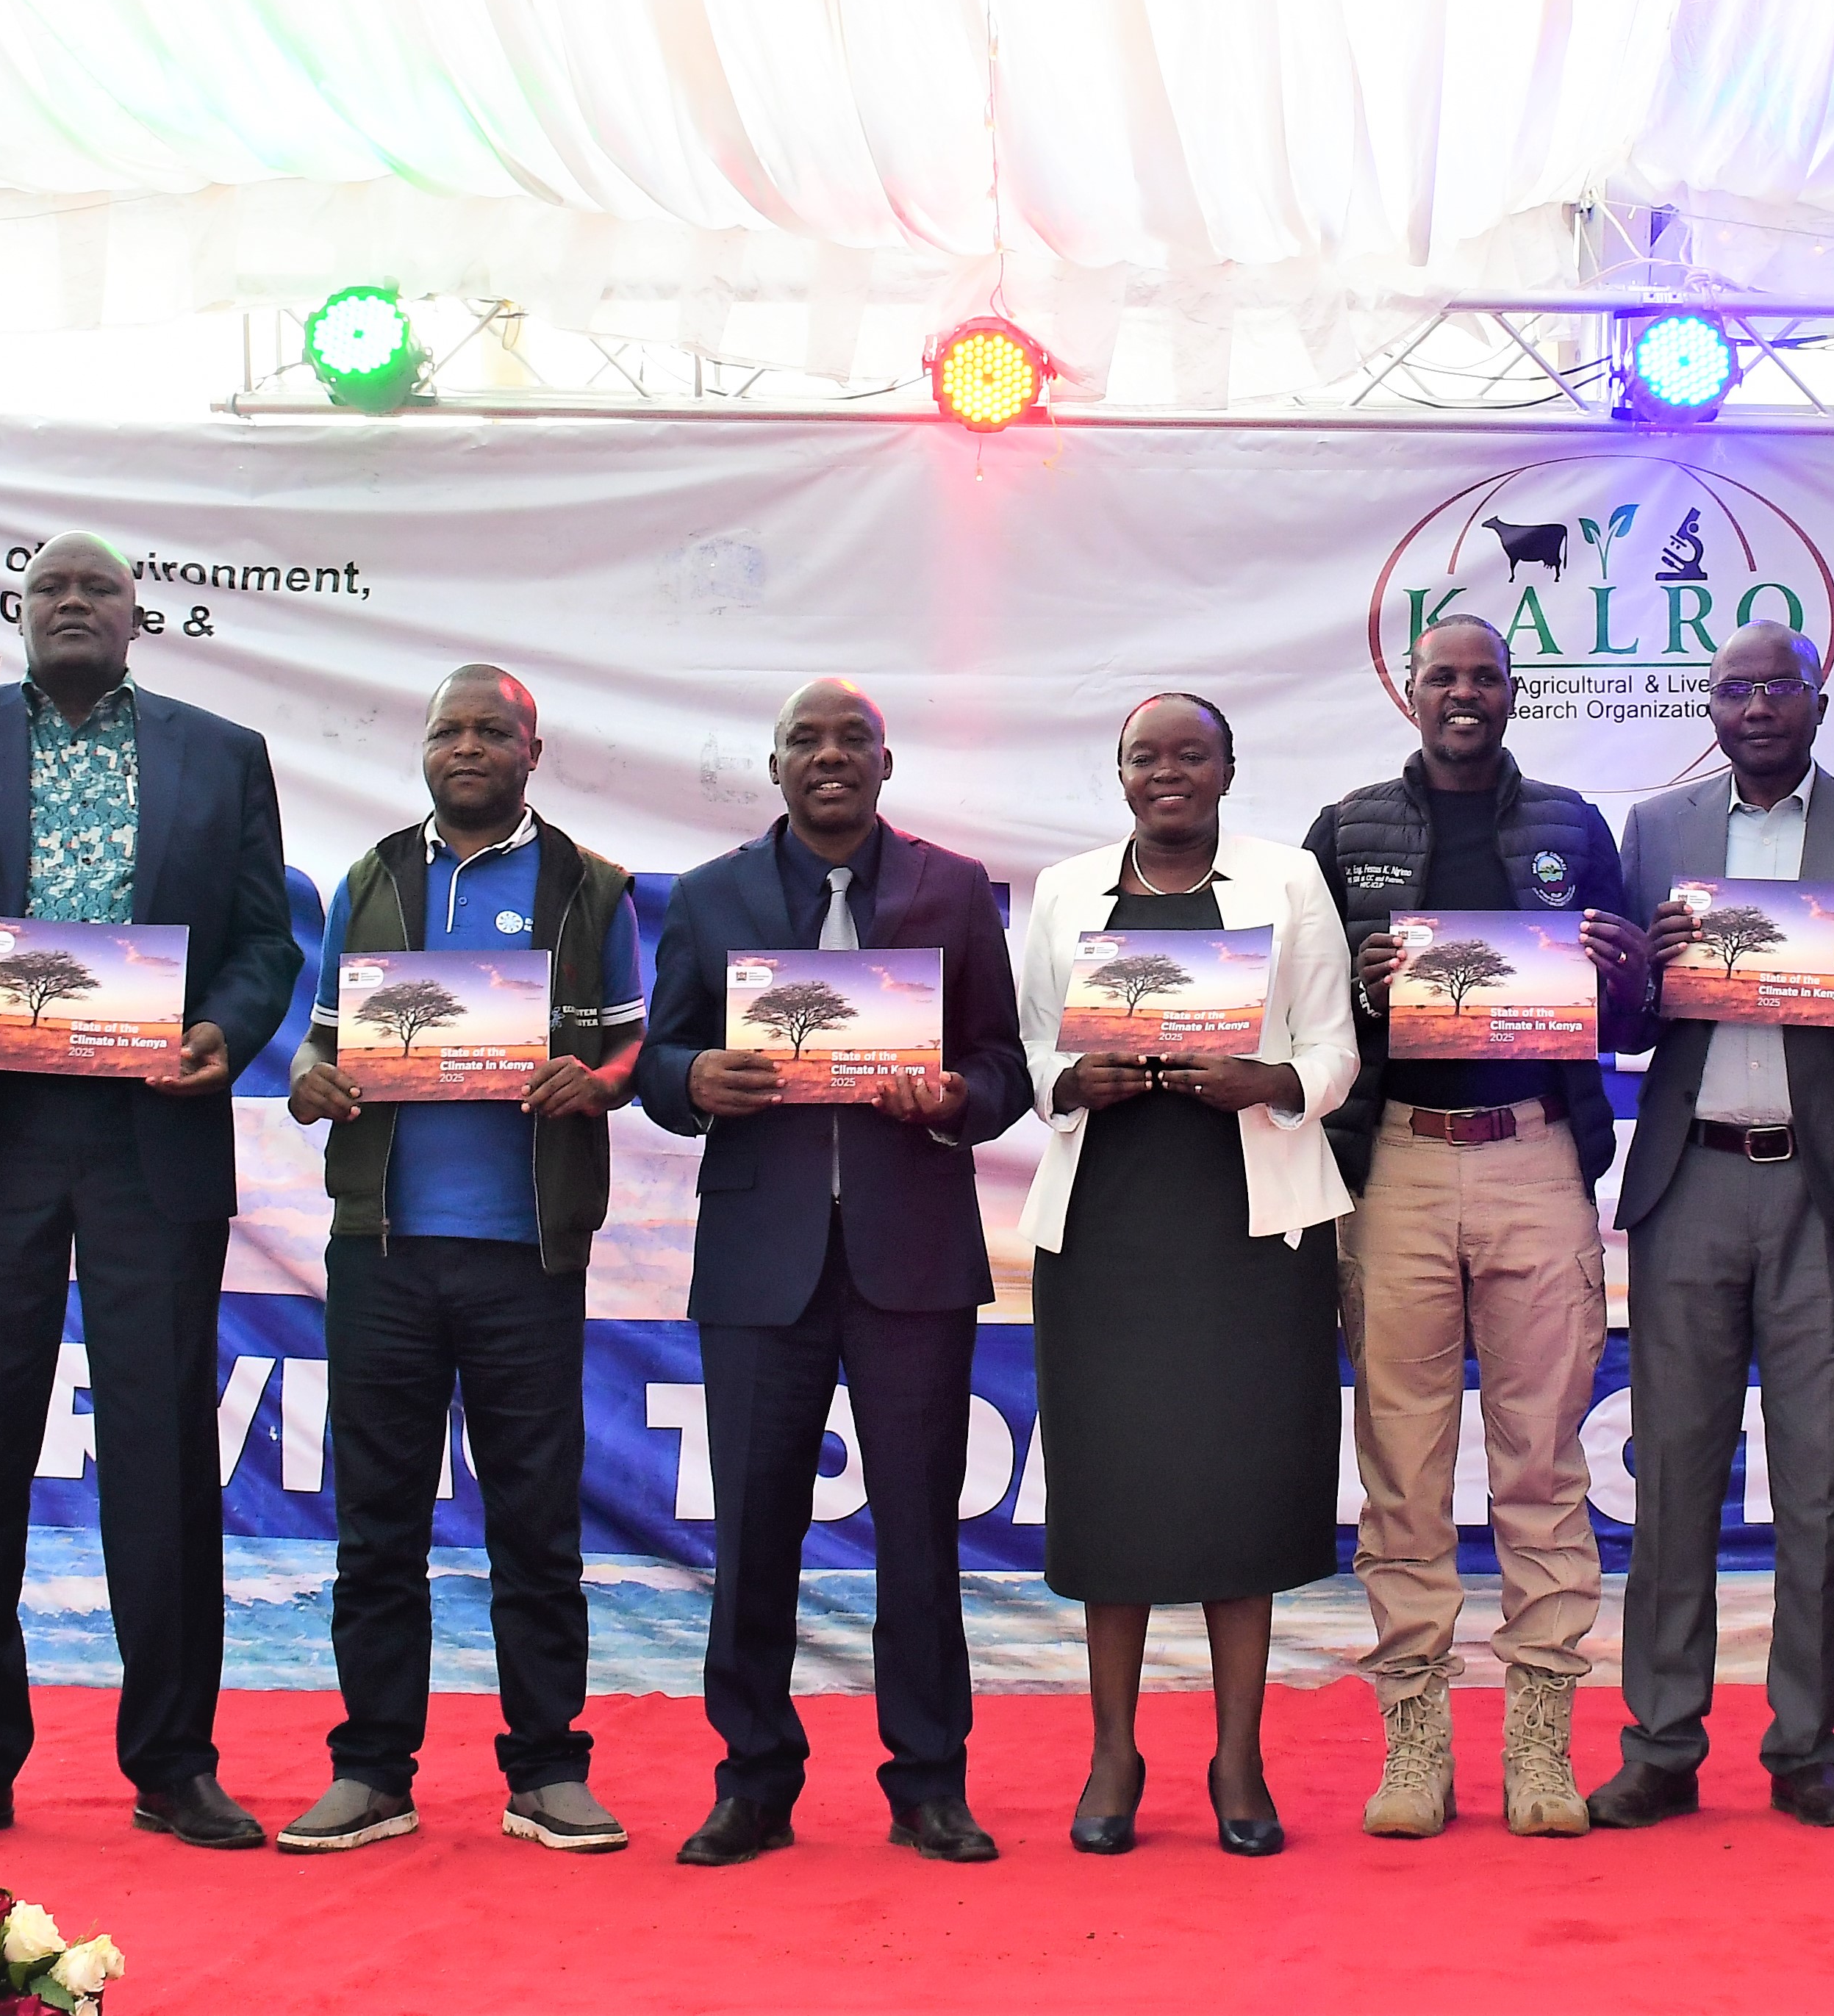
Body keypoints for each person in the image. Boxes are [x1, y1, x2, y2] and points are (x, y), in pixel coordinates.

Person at [0, 533, 304, 1853]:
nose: (70, 603)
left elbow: (264, 936)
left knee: (163, 1451)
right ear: (19, 610)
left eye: (94, 589)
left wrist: (227, 1029)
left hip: (146, 1134)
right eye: (48, 586)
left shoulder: (220, 753)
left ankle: (173, 1764)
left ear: (133, 616)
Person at [635, 678, 1028, 1868]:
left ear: (884, 763)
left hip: (911, 1258)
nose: (828, 757)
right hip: (762, 1265)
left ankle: (928, 1785)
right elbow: (656, 1058)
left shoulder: (950, 890)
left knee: (920, 1533)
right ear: (773, 766)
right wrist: (695, 1080)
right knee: (753, 1536)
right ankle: (753, 1781)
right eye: (804, 740)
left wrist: (958, 1097)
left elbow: (1003, 1063)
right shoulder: (710, 899)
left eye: (850, 739)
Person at [277, 667, 643, 1857]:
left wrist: (592, 1085)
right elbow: (322, 1048)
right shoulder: (371, 879)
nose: (469, 746)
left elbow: (630, 1048)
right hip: (382, 1250)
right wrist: (309, 1082)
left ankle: (546, 1770)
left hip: (527, 1254)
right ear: (425, 750)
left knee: (535, 1526)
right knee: (377, 1523)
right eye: (450, 730)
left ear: (534, 752)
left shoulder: (586, 888)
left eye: (494, 730)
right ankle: (373, 1771)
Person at [1303, 614, 1650, 1841]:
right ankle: (1413, 1738)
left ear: (1511, 694)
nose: (1463, 693)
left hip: (1534, 1156)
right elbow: (1302, 1004)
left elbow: (1642, 1015)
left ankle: (1540, 1740)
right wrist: (1355, 965)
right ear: (1408, 690)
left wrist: (1620, 971)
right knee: (1399, 1465)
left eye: (1483, 676)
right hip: (1392, 1165)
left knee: (1542, 1463)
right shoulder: (1345, 830)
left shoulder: (1570, 825)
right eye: (1441, 675)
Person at [1591, 620, 1834, 1832]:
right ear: (1709, 705)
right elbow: (1625, 1028)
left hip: (1822, 1190)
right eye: (1732, 690)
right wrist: (1642, 968)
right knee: (1672, 1476)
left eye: (1774, 689)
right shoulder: (1656, 833)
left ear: (1816, 703)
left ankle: (1804, 1747)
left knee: (1810, 1486)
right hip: (1690, 1179)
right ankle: (1660, 1741)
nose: (1753, 709)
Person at [1014, 693, 1360, 1858]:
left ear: (1226, 767)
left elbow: (1332, 1047)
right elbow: (1028, 1048)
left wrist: (1265, 1085)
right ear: (1118, 772)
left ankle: (1237, 1756)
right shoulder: (1064, 891)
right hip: (1108, 1221)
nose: (1168, 774)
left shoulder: (1286, 879)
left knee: (1240, 1485)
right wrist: (1073, 1082)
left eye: (1190, 755)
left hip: (1249, 1223)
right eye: (1144, 756)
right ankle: (1112, 1750)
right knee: (1112, 1487)